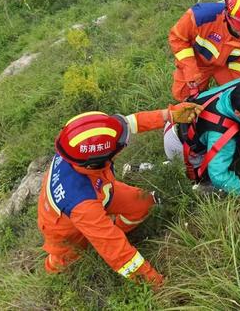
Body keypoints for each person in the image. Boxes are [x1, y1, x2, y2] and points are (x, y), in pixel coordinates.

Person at [37, 102, 200, 289]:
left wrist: (170, 115)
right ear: (96, 163)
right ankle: (52, 275)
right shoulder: (83, 202)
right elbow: (119, 255)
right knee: (68, 259)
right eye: (118, 149)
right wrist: (157, 285)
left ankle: (114, 231)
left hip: (102, 189)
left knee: (143, 203)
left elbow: (128, 123)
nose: (124, 146)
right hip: (62, 228)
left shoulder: (78, 145)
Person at [163, 79, 240, 204]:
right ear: (237, 113)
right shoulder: (221, 133)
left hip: (177, 117)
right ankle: (199, 187)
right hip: (179, 145)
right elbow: (218, 175)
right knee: (209, 183)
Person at [169, 0, 240, 101]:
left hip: (224, 66)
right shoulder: (201, 16)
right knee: (183, 95)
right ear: (227, 12)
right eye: (238, 22)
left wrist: (237, 85)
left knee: (237, 95)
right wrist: (189, 68)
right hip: (197, 61)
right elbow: (178, 38)